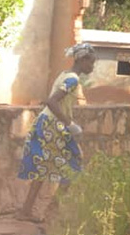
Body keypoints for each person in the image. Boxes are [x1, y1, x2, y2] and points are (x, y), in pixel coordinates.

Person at [17, 43, 96, 221]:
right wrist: (70, 124)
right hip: (53, 126)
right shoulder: (73, 79)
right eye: (91, 62)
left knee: (42, 167)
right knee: (73, 165)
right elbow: (51, 102)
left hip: (46, 124)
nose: (92, 66)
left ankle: (26, 211)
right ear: (82, 60)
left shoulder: (65, 74)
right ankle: (52, 211)